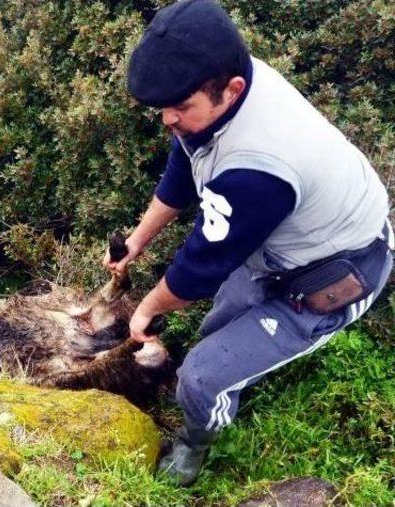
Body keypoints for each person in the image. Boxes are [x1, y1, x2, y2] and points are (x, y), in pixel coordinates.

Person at [103, 0, 393, 486]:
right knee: (216, 326)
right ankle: (229, 377)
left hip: (332, 278)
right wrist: (137, 240)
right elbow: (185, 166)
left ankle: (196, 444)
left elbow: (201, 268)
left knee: (200, 377)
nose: (167, 119)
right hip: (282, 247)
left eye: (179, 108)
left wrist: (145, 310)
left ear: (231, 90)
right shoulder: (225, 86)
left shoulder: (259, 164)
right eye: (162, 108)